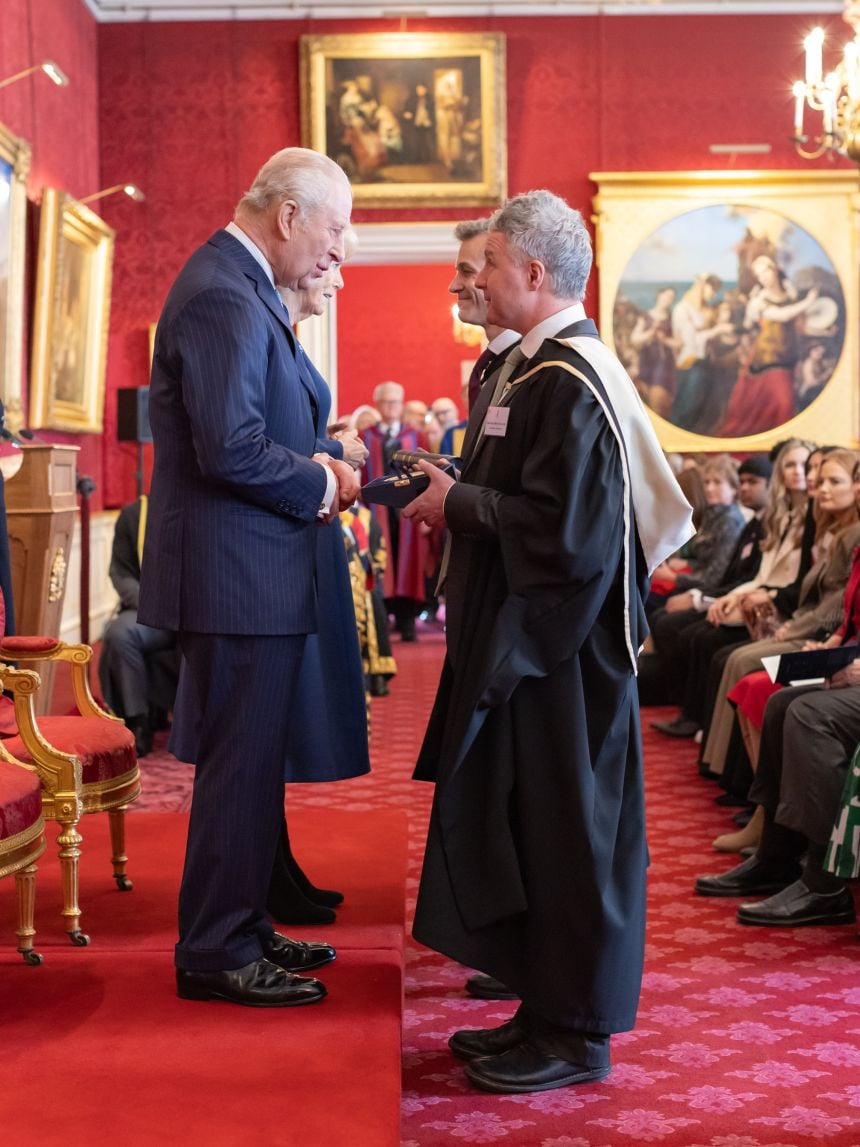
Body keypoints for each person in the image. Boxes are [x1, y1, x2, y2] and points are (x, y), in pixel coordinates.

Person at [403, 189, 693, 1094]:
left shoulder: (568, 377)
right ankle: (543, 1006)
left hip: (564, 651)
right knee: (539, 825)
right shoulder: (541, 367)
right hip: (538, 639)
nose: (474, 280)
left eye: (486, 263)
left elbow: (565, 536)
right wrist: (466, 486)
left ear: (534, 274)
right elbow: (541, 497)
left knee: (572, 834)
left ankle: (576, 1032)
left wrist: (455, 502)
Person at [139, 147, 360, 1007]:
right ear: (291, 214)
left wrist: (320, 462)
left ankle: (244, 921)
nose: (336, 250)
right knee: (238, 766)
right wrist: (317, 481)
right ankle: (215, 949)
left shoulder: (242, 285)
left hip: (253, 571)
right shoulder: (225, 291)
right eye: (334, 228)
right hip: (235, 575)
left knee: (254, 763)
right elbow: (228, 445)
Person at [268, 237, 371, 927]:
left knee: (276, 736)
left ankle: (280, 872)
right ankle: (270, 879)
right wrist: (336, 456)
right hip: (280, 549)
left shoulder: (287, 334)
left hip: (304, 542)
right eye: (330, 264)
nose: (335, 280)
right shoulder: (263, 325)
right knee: (267, 740)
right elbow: (271, 443)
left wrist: (331, 447)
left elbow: (291, 433)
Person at [98, 496, 179, 757]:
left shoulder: (199, 509)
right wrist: (152, 604)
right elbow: (120, 572)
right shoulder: (134, 515)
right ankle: (138, 721)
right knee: (119, 633)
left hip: (196, 613)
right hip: (148, 613)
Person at [360, 381, 430, 641]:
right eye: (386, 402)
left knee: (408, 561)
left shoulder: (416, 435)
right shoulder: (365, 436)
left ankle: (407, 621)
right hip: (377, 510)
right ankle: (384, 619)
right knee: (382, 561)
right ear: (377, 404)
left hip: (408, 511)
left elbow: (427, 474)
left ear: (402, 405)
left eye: (395, 402)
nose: (391, 407)